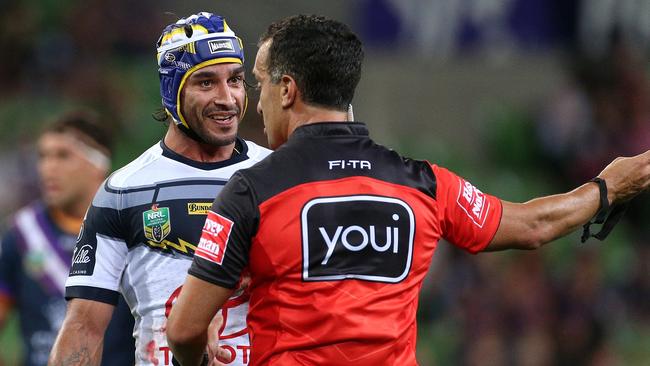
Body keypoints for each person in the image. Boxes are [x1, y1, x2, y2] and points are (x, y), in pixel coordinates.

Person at [166, 14, 650, 366]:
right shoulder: (424, 183)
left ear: (288, 90)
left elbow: (185, 329)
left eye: (258, 83)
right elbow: (533, 224)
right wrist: (608, 187)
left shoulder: (251, 190)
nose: (257, 100)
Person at [48, 12, 271, 366]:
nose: (227, 98)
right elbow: (85, 326)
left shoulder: (277, 175)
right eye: (206, 83)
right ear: (172, 89)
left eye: (236, 80)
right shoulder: (123, 191)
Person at [0, 111, 135, 366]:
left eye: (63, 155)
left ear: (99, 164)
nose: (48, 168)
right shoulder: (22, 234)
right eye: (43, 156)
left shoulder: (130, 232)